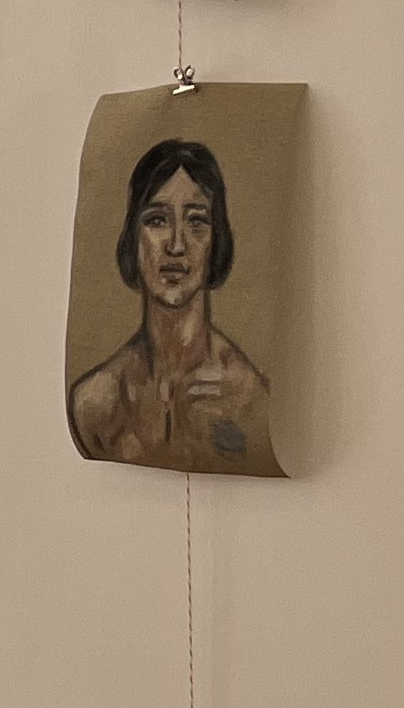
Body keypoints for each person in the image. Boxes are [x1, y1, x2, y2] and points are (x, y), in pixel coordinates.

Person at [67, 136, 273, 470]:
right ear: (133, 239)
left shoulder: (249, 398)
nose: (176, 246)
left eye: (196, 221)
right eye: (157, 220)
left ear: (216, 240)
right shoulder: (95, 404)